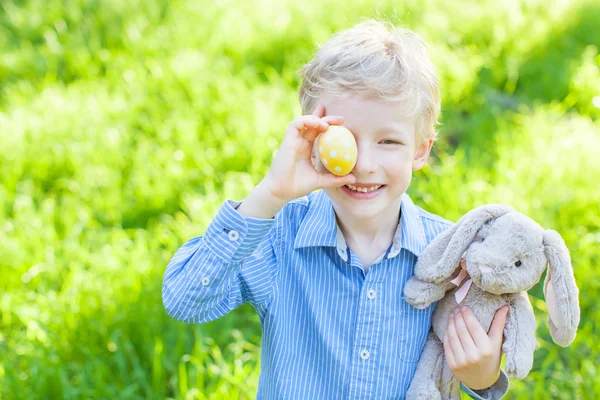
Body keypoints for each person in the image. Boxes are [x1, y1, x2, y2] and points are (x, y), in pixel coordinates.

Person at [162, 19, 510, 399]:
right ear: (313, 139)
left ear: (421, 150)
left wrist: (481, 377)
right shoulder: (280, 237)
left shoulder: (448, 255)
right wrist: (271, 194)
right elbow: (185, 299)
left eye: (389, 141)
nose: (363, 164)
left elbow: (467, 365)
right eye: (344, 140)